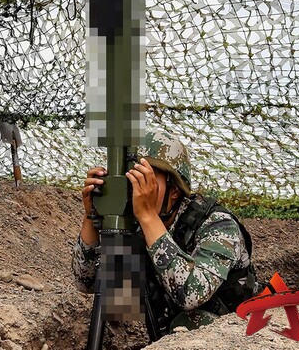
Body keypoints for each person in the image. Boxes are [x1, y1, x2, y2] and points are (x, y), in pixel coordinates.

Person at [71, 134, 257, 336]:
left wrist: (148, 216)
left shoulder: (218, 225)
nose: (137, 191)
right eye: (131, 181)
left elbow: (191, 294)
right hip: (171, 332)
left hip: (241, 333)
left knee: (193, 322)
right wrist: (92, 217)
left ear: (174, 190)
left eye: (146, 181)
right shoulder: (137, 227)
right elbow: (87, 283)